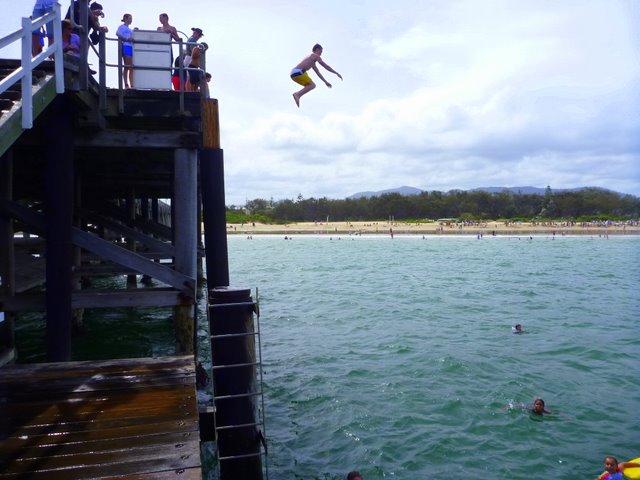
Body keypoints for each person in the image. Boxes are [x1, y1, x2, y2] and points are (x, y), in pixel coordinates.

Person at [116, 14, 134, 88]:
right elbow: (117, 33)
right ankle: (126, 84)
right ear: (125, 18)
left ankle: (132, 84)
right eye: (130, 18)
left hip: (131, 46)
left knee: (132, 66)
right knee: (127, 65)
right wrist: (127, 39)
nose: (131, 20)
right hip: (126, 46)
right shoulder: (121, 27)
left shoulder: (130, 29)